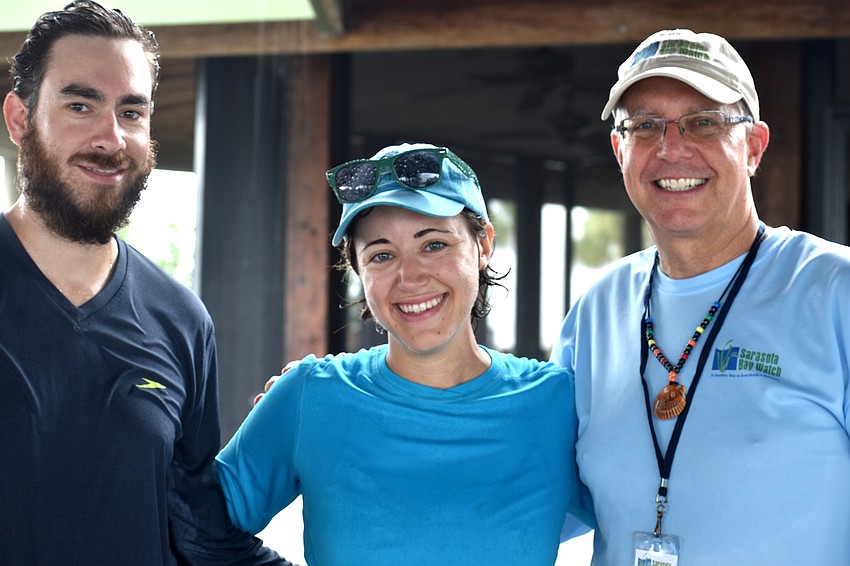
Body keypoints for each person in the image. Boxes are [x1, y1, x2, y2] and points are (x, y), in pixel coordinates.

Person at [0, 2, 292, 564]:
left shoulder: (180, 320)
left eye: (131, 112)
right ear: (19, 118)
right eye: (80, 105)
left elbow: (199, 533)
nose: (110, 138)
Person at [215, 142, 592, 564]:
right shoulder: (309, 396)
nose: (410, 277)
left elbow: (652, 508)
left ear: (483, 244)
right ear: (359, 270)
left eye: (433, 245)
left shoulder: (556, 402)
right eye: (381, 255)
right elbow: (194, 527)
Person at [553, 29, 850, 564]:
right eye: (645, 126)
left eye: (704, 122)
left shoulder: (834, 291)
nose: (671, 148)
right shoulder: (596, 310)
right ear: (621, 150)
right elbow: (540, 504)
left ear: (754, 147)